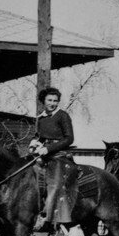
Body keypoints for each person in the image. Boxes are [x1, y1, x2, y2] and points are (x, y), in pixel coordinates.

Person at [29, 87, 79, 228]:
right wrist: (34, 144)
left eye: (55, 101)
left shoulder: (63, 116)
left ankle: (47, 220)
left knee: (55, 184)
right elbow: (38, 136)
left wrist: (49, 148)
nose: (53, 103)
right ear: (43, 101)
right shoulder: (40, 118)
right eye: (50, 100)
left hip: (59, 155)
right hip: (41, 154)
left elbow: (69, 139)